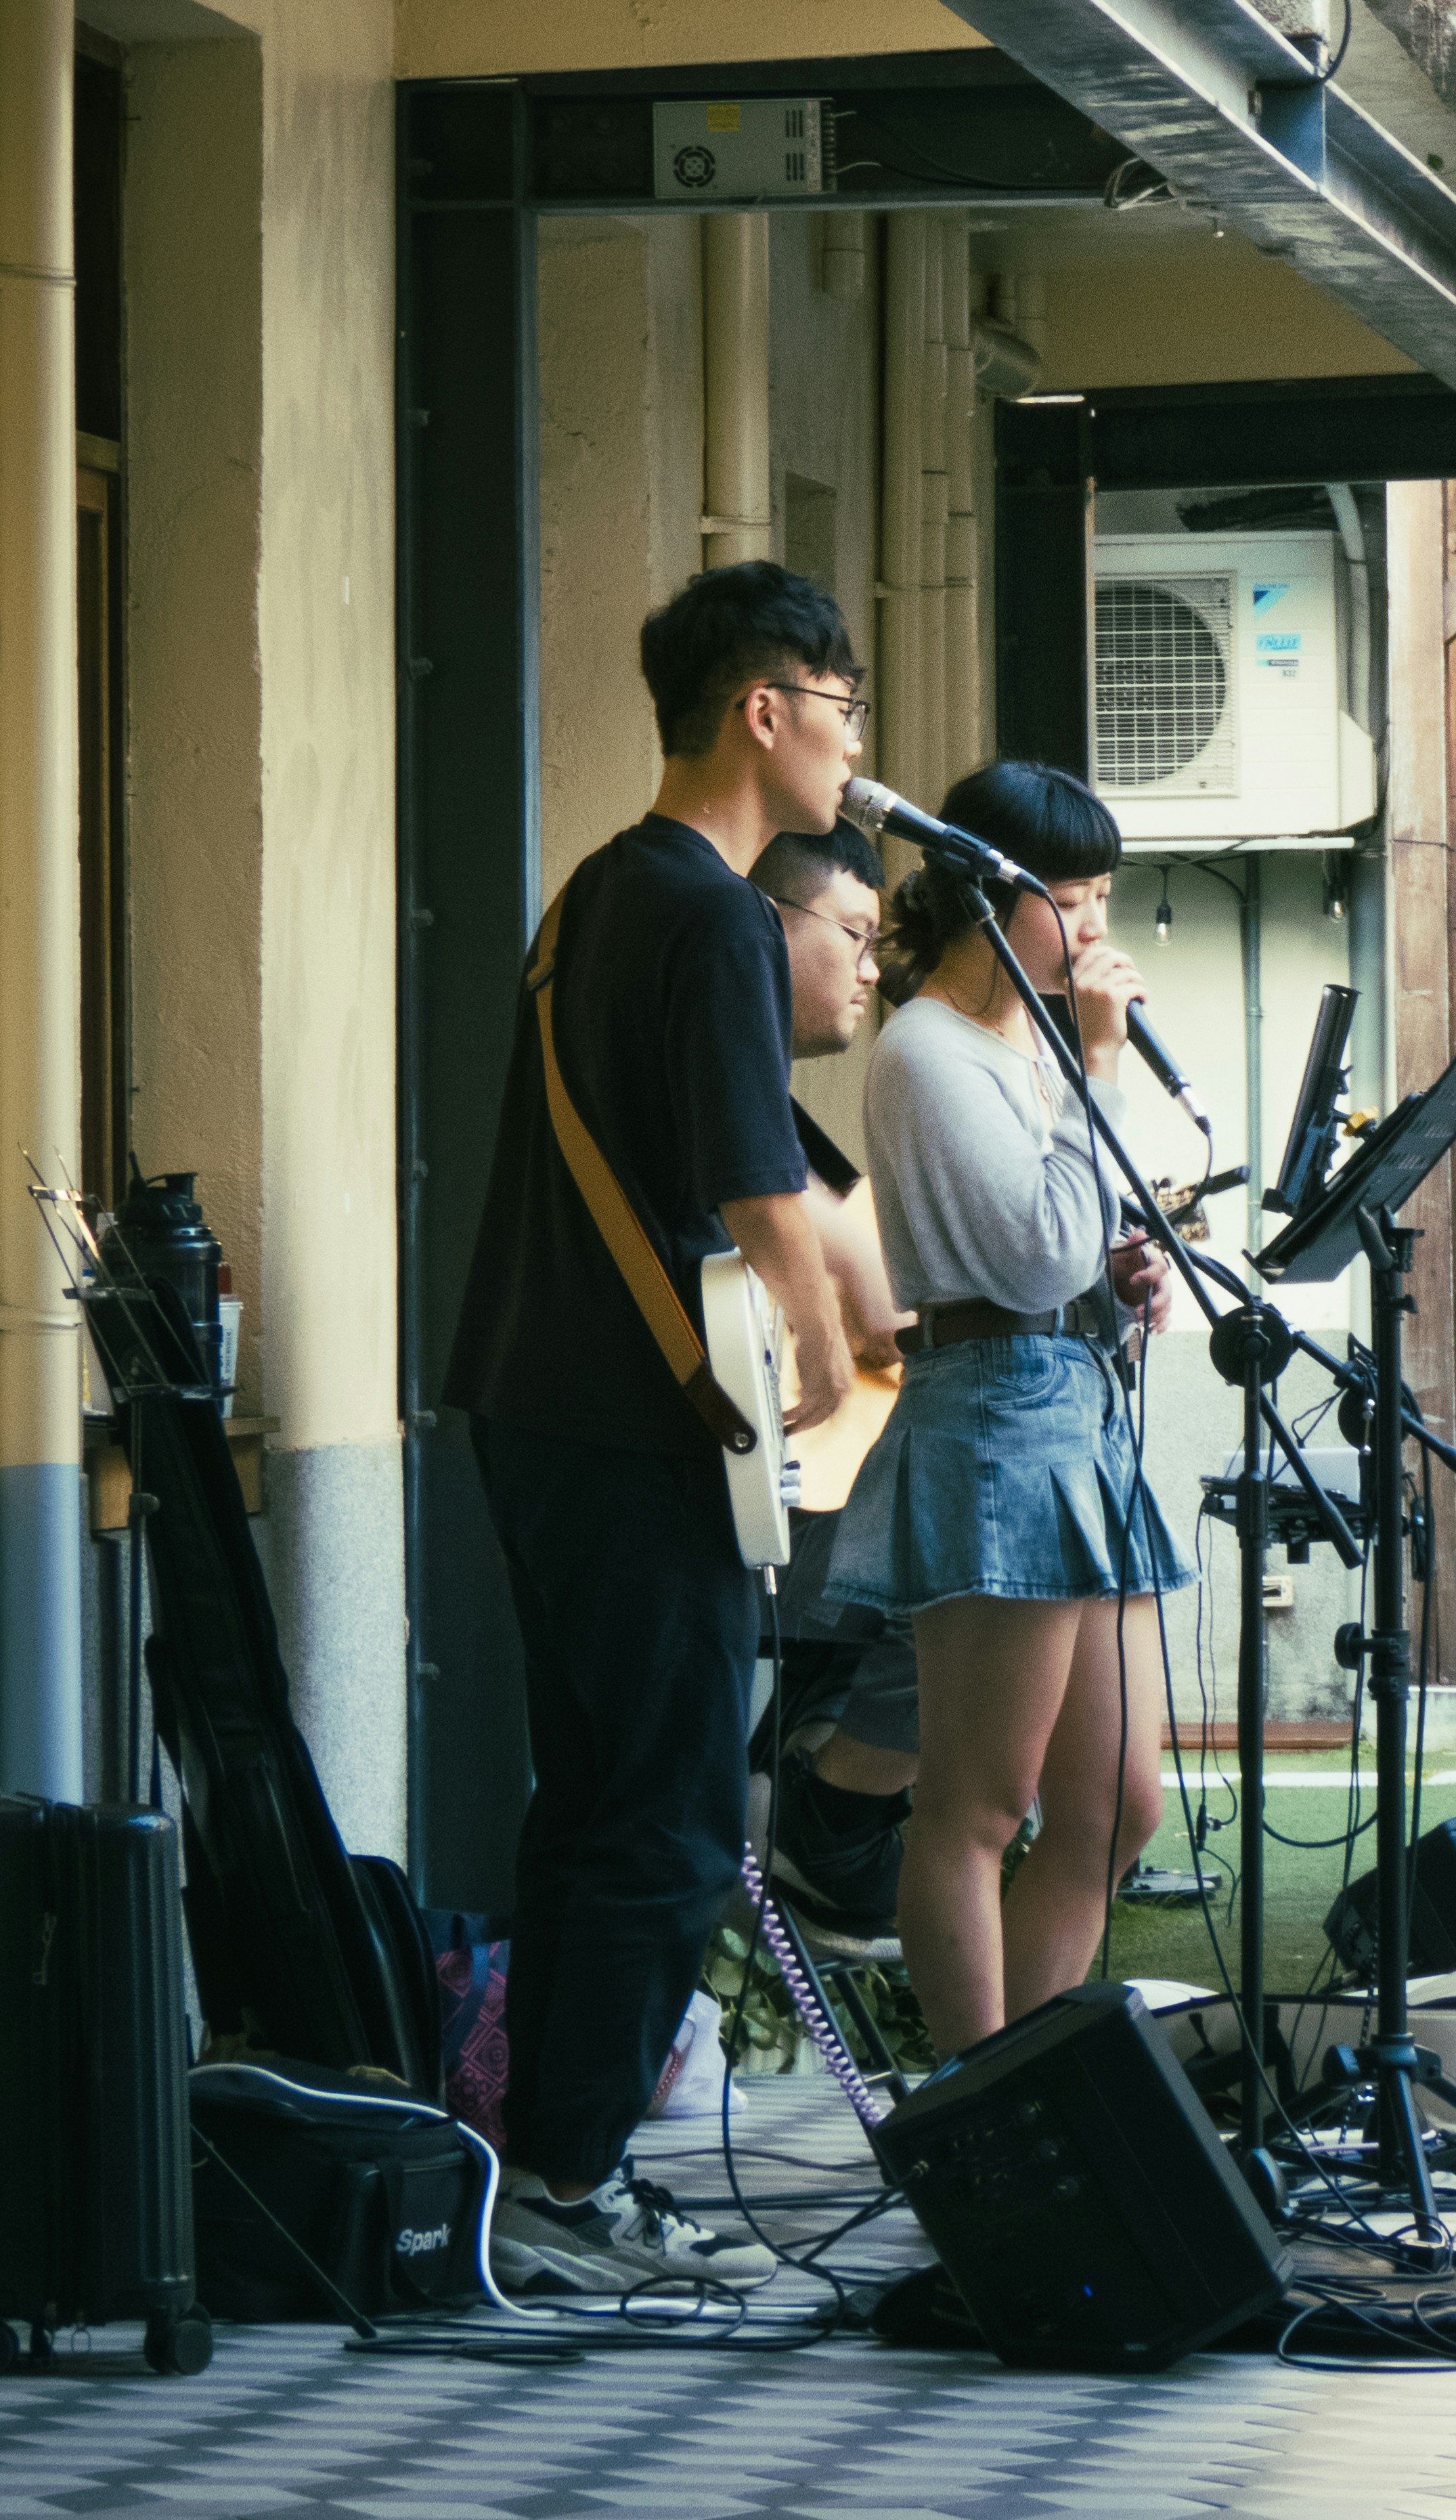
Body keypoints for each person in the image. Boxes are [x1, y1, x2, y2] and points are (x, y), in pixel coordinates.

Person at [447, 563, 861, 2293]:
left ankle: (554, 2165)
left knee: (596, 1799)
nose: (854, 747)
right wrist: (828, 1360)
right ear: (761, 711)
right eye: (841, 708)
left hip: (540, 1405)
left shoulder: (593, 897)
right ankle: (561, 2182)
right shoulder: (712, 914)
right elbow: (755, 1178)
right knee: (679, 1813)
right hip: (636, 1421)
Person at [822, 760, 1187, 2058]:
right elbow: (1027, 1256)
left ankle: (1041, 2076)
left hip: (1076, 1400)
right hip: (991, 1413)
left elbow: (1065, 1242)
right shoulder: (927, 1048)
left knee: (1120, 1799)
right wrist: (1097, 1065)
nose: (1093, 930)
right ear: (991, 891)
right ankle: (976, 2105)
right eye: (1073, 898)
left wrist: (1120, 1270)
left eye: (1100, 898)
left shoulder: (1032, 1040)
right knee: (982, 1803)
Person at [747, 822, 921, 1940]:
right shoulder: (738, 1105)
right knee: (991, 1581)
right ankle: (827, 1804)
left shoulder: (782, 1110)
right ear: (772, 927)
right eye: (855, 934)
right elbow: (891, 1313)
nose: (872, 966)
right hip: (769, 1516)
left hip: (797, 1499)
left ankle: (834, 1779)